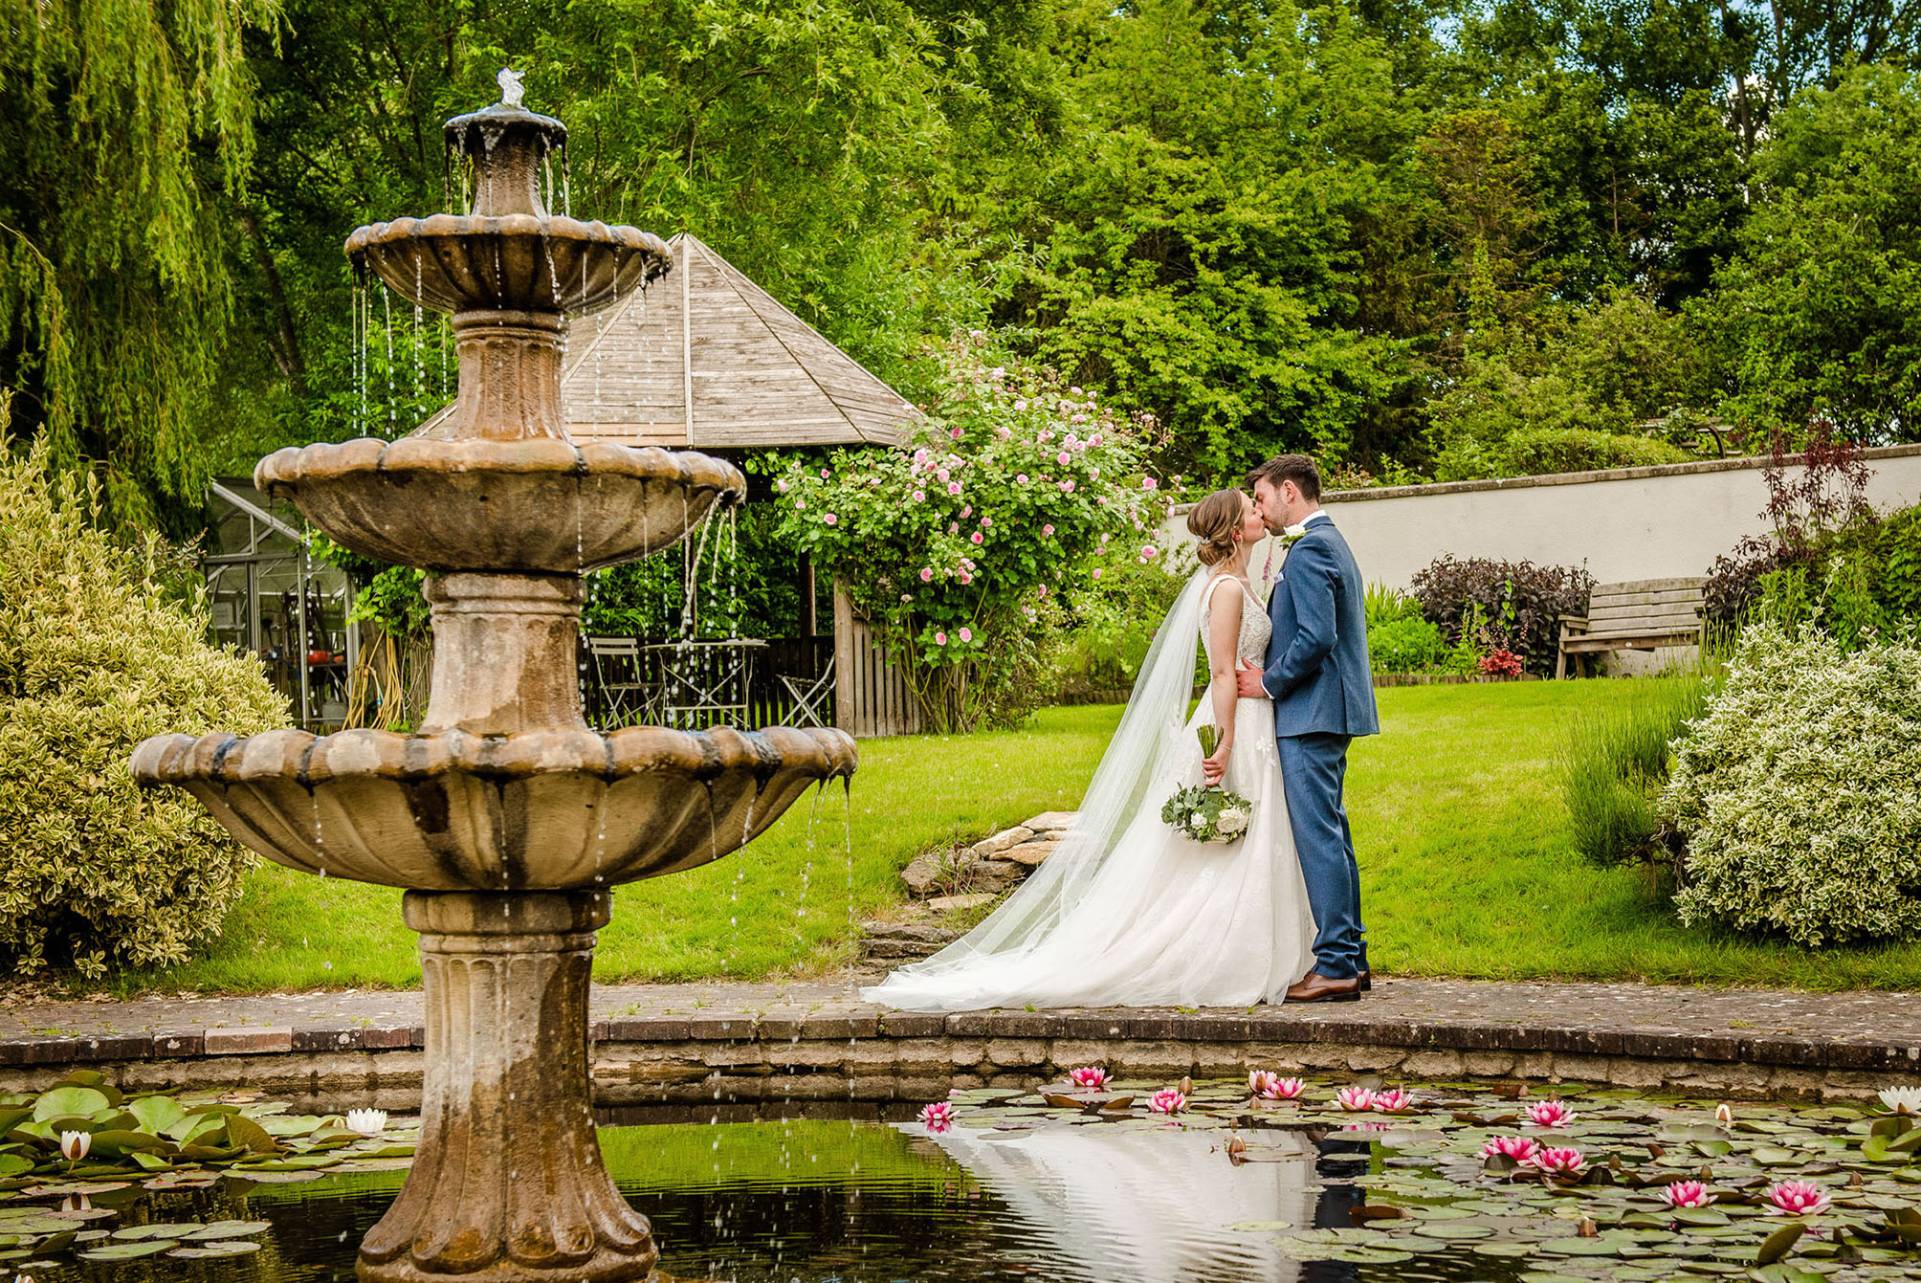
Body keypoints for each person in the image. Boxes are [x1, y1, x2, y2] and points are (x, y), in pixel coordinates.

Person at [861, 487, 1316, 1011]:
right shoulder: (1227, 591)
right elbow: (1219, 672)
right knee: (1227, 847)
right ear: (1237, 530)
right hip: (1235, 722)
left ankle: (1256, 948)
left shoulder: (1237, 582)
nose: (1262, 512)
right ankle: (1217, 953)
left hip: (1255, 717)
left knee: (1249, 842)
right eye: (1252, 508)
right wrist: (1229, 739)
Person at [1231, 454, 1380, 1003]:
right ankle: (1352, 958)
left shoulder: (1312, 546)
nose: (1261, 510)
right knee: (1332, 832)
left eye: (1264, 498)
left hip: (1312, 712)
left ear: (1289, 491)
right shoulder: (1324, 541)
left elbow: (1317, 637)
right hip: (1324, 711)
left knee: (1319, 835)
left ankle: (1337, 963)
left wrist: (1269, 684)